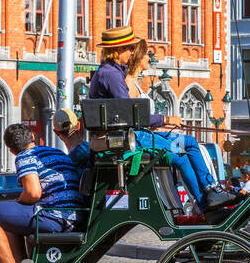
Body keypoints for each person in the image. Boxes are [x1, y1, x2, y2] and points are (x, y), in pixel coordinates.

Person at [87, 25, 234, 212]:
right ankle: (207, 201)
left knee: (187, 142)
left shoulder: (111, 73)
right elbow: (130, 116)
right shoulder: (111, 75)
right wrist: (166, 119)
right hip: (130, 139)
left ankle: (211, 192)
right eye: (131, 48)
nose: (132, 52)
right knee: (182, 151)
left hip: (131, 136)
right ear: (119, 50)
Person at [0, 124, 89, 263]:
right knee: (5, 221)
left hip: (55, 216)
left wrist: (19, 201)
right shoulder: (55, 152)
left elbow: (33, 193)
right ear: (33, 139)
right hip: (73, 213)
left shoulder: (25, 156)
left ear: (12, 150)